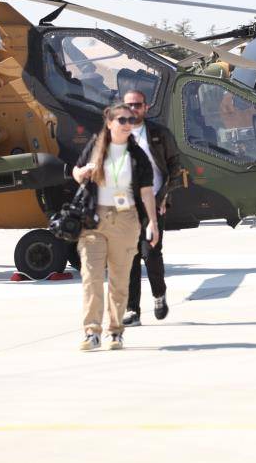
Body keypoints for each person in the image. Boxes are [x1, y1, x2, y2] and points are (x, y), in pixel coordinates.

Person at [72, 103, 159, 351]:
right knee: (91, 278)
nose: (127, 124)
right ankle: (92, 332)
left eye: (131, 120)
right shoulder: (95, 146)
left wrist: (152, 222)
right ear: (109, 123)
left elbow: (146, 192)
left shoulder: (137, 155)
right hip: (94, 220)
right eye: (122, 120)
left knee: (119, 281)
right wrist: (84, 172)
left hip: (125, 220)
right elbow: (76, 173)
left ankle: (115, 331)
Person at [121, 90, 183, 327]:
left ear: (146, 107)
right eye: (129, 105)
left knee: (150, 254)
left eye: (137, 105)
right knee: (130, 258)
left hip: (154, 204)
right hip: (125, 207)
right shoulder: (118, 135)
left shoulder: (159, 134)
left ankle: (159, 295)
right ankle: (132, 309)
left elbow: (175, 166)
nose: (133, 109)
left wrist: (164, 196)